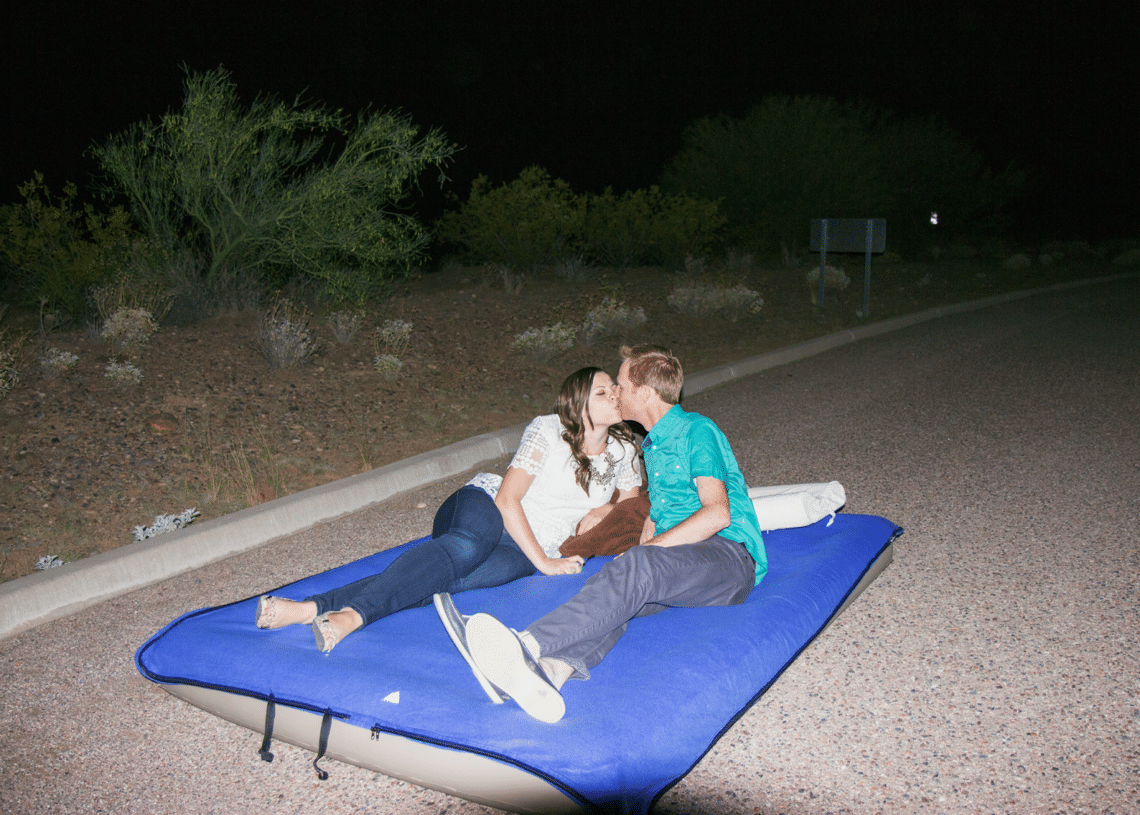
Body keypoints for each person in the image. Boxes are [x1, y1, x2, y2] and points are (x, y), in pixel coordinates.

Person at [436, 345, 767, 723]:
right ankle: (550, 673)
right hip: (683, 564)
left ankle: (525, 643)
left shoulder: (697, 429)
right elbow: (653, 519)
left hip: (729, 559)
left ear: (644, 393)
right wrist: (634, 534)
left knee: (638, 566)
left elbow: (717, 514)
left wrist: (649, 553)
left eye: (621, 385)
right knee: (622, 594)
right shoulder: (652, 447)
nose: (616, 394)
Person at [254, 367, 643, 680]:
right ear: (577, 406)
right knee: (466, 548)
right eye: (603, 392)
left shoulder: (624, 450)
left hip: (531, 544)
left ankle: (309, 610)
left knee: (450, 581)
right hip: (487, 508)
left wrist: (602, 512)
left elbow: (627, 507)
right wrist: (545, 563)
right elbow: (508, 500)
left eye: (614, 390)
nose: (615, 396)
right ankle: (353, 617)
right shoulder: (547, 429)